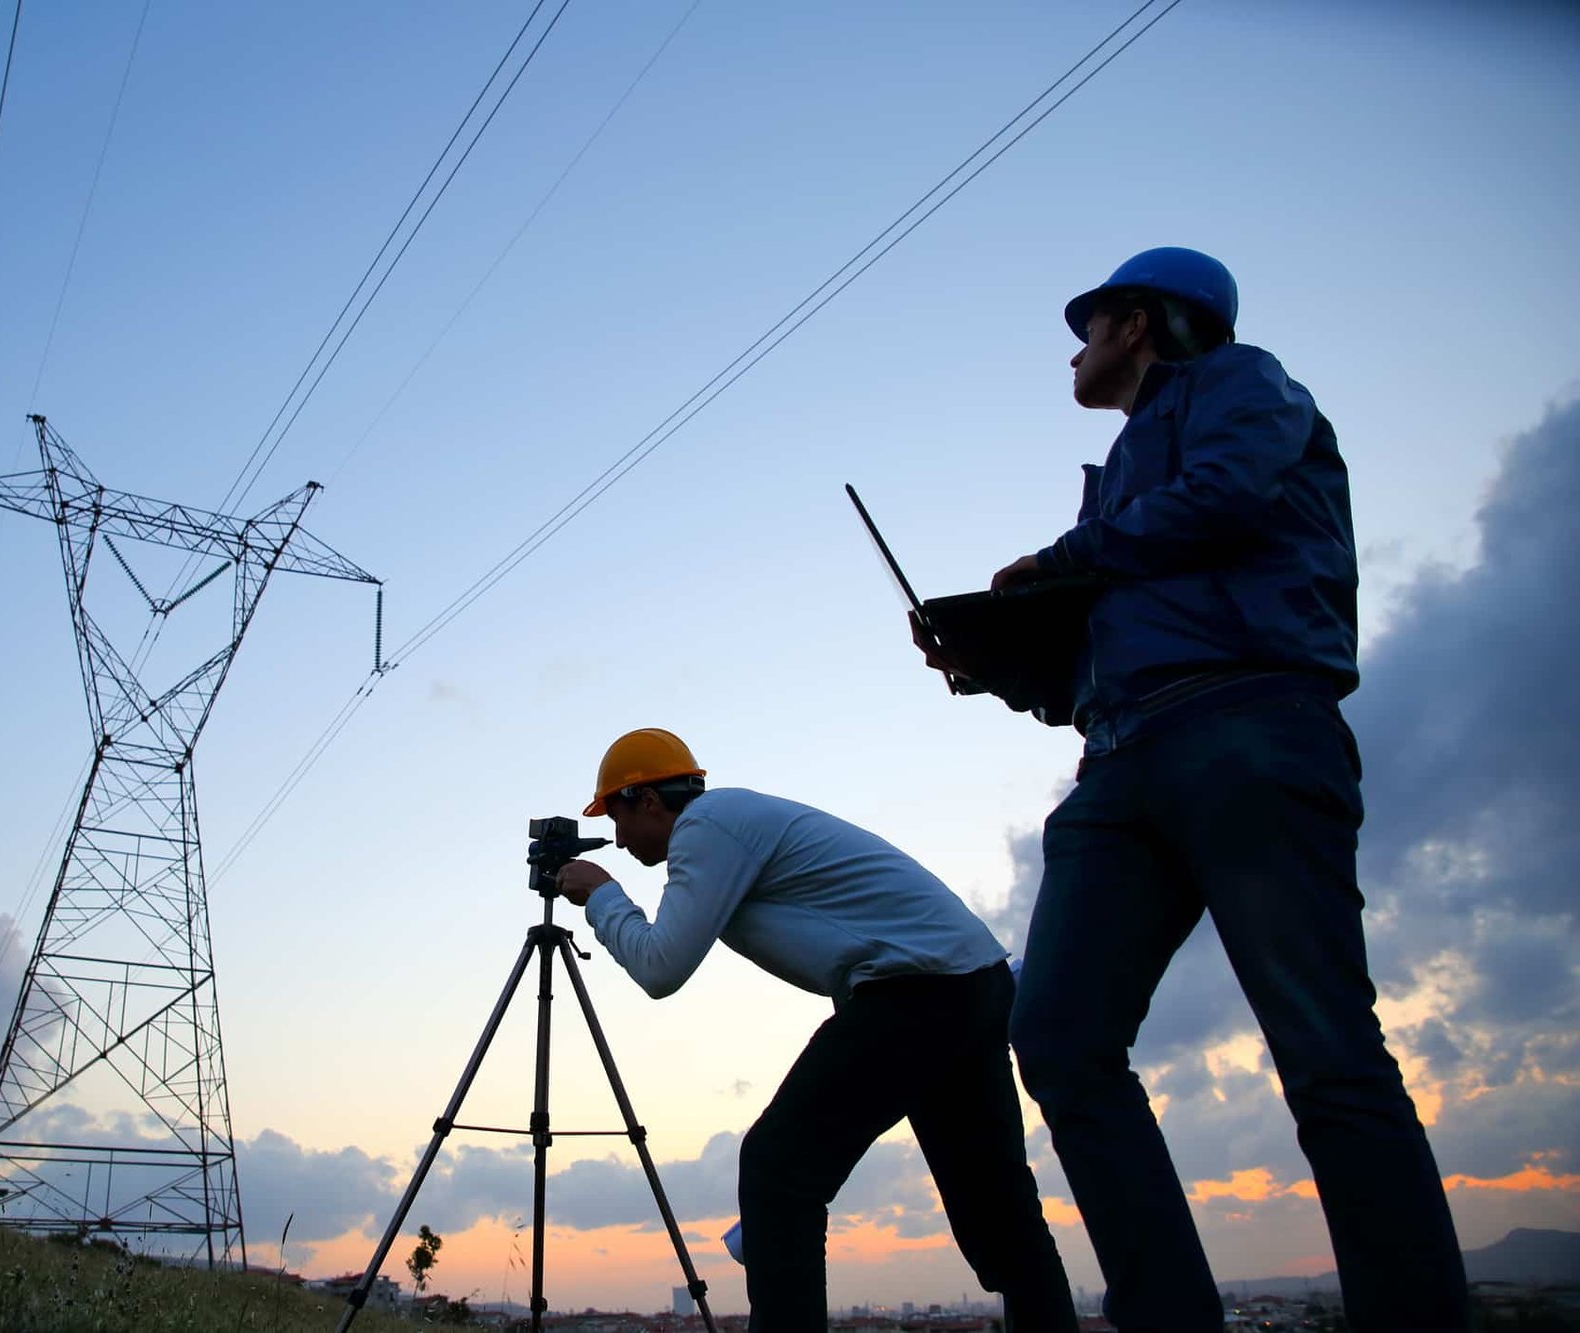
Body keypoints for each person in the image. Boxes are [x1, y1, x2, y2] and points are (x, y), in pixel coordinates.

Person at [914, 247, 1469, 1331]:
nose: (1072, 353)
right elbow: (1088, 669)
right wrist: (993, 665)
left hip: (1245, 725)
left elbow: (1221, 500)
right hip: (1116, 765)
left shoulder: (1238, 382)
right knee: (1060, 1039)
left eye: (1084, 329)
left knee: (1322, 1049)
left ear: (1135, 324)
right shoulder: (1118, 472)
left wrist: (1064, 557)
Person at [554, 727, 1077, 1333]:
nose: (616, 840)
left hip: (914, 994)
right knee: (999, 1216)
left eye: (617, 818)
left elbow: (659, 966)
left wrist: (601, 896)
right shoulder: (734, 824)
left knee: (779, 1170)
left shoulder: (705, 826)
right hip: (970, 987)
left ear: (647, 800)